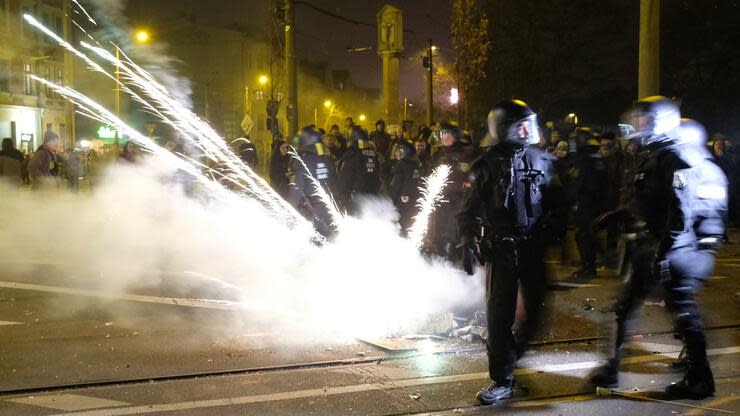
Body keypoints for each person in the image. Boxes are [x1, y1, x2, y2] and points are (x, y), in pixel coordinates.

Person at [589, 97, 727, 399]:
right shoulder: (655, 156)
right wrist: (618, 215)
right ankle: (611, 368)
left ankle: (700, 378)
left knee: (682, 311)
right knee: (626, 307)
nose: (637, 126)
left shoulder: (675, 158)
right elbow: (646, 202)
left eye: (644, 121)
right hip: (654, 244)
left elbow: (680, 212)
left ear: (661, 122)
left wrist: (664, 252)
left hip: (672, 246)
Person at [458, 100, 559, 406]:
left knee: (538, 311)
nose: (527, 130)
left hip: (533, 248)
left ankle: (513, 357)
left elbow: (558, 203)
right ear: (503, 130)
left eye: (529, 123)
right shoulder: (485, 166)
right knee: (498, 317)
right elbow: (467, 212)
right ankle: (502, 379)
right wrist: (468, 243)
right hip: (501, 249)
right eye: (520, 125)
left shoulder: (543, 160)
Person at [430, 121, 477, 260]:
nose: (444, 137)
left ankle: (454, 256)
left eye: (448, 134)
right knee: (437, 228)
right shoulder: (439, 153)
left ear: (455, 135)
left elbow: (474, 173)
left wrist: (468, 182)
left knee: (453, 230)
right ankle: (438, 252)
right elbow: (432, 170)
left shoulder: (467, 152)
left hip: (459, 199)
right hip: (441, 197)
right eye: (443, 134)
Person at [571, 128, 608, 280]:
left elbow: (581, 180)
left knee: (584, 235)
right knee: (587, 235)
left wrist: (575, 199)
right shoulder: (595, 155)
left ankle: (588, 268)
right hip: (594, 202)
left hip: (587, 202)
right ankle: (589, 266)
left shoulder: (585, 156)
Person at [288, 125, 338, 237]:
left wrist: (288, 215)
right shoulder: (327, 160)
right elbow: (335, 184)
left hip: (312, 215)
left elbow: (295, 192)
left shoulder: (303, 162)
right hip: (329, 212)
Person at [337, 126, 381, 212]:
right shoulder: (372, 153)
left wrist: (342, 196)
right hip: (371, 196)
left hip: (355, 198)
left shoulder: (352, 153)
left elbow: (344, 177)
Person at [389, 139, 422, 232]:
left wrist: (390, 201)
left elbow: (396, 187)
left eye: (397, 150)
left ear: (403, 151)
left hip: (401, 205)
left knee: (400, 228)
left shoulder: (402, 165)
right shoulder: (414, 165)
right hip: (412, 203)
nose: (395, 153)